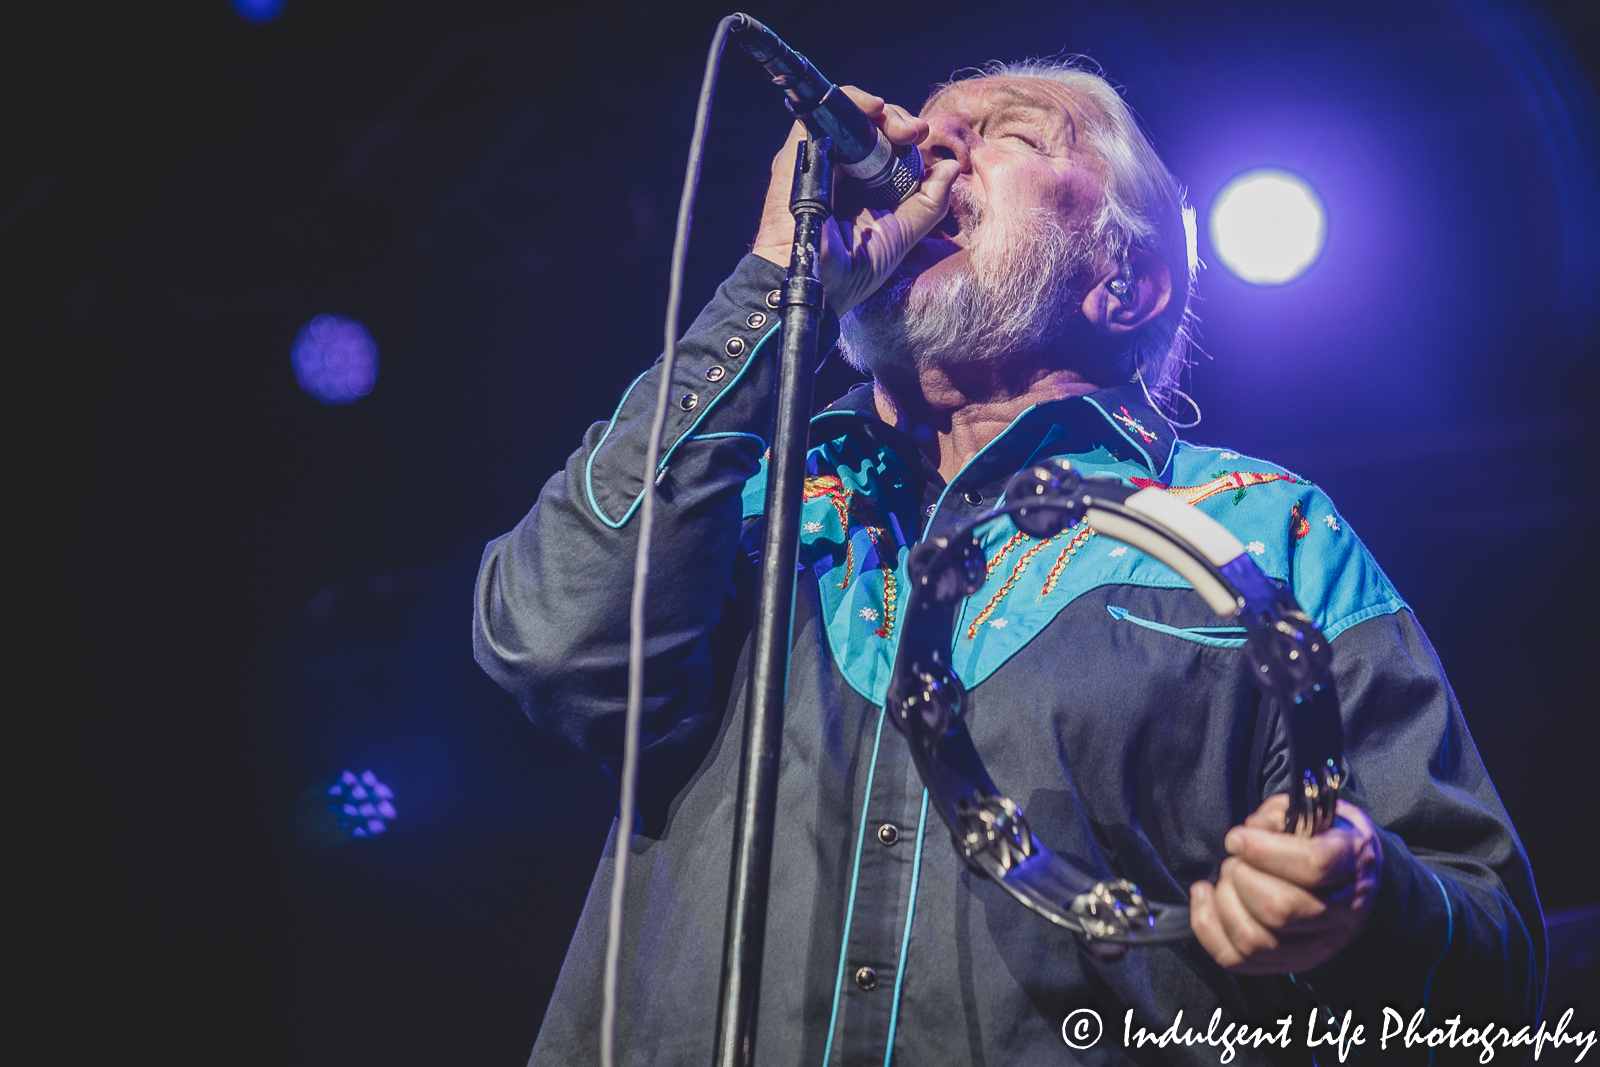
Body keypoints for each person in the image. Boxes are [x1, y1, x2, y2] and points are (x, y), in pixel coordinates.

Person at [474, 60, 1542, 1065]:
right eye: (936, 123)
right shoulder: (743, 494)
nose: (933, 145)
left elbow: (1492, 965)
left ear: (1122, 284)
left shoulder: (1264, 529)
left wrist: (1362, 902)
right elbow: (551, 637)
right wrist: (774, 282)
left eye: (1011, 134)